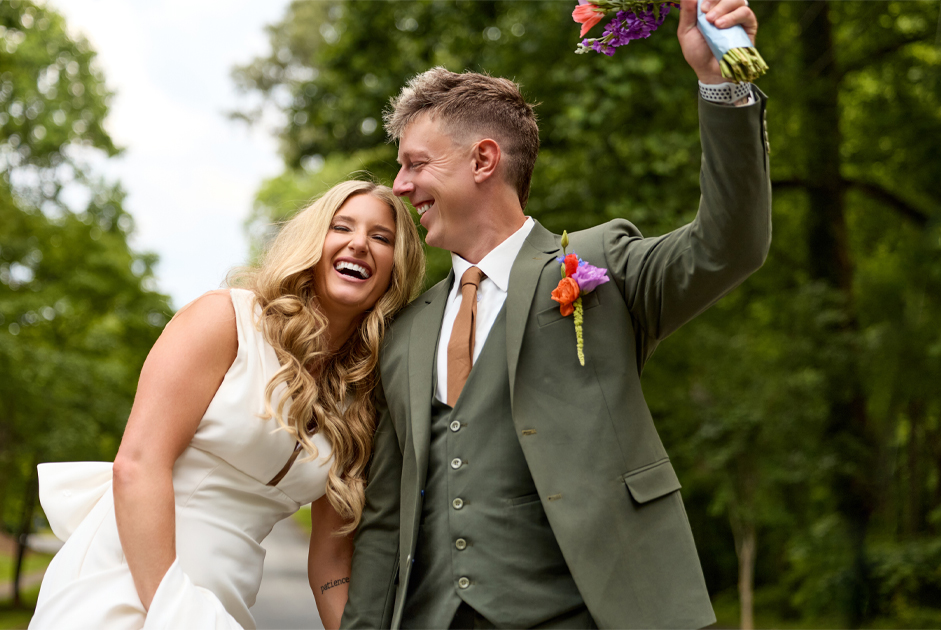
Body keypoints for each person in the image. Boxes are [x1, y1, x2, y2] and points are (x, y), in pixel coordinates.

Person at [341, 0, 771, 628]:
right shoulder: (405, 332)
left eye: (416, 164)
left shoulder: (599, 263)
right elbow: (385, 520)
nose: (400, 186)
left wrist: (722, 83)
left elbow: (729, 245)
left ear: (483, 160)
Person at [29, 180, 425, 630]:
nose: (359, 243)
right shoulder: (226, 320)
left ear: (397, 267)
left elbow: (332, 560)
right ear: (313, 241)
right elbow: (137, 467)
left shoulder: (361, 398)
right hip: (126, 583)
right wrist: (174, 611)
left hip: (222, 605)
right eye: (342, 227)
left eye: (381, 237)